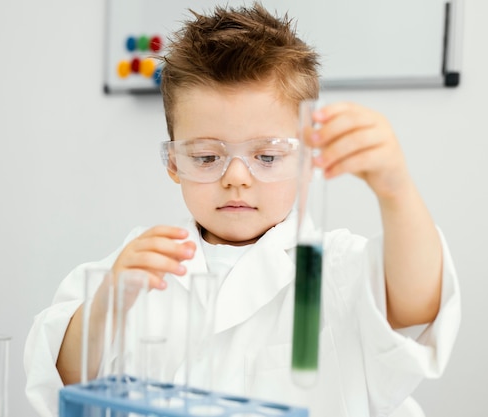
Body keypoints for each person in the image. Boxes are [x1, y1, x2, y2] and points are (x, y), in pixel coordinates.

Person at [24, 3, 460, 417]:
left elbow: (417, 307)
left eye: (267, 156)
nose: (236, 177)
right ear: (174, 163)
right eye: (207, 157)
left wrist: (395, 189)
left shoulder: (335, 266)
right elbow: (65, 380)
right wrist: (109, 302)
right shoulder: (140, 264)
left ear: (307, 159)